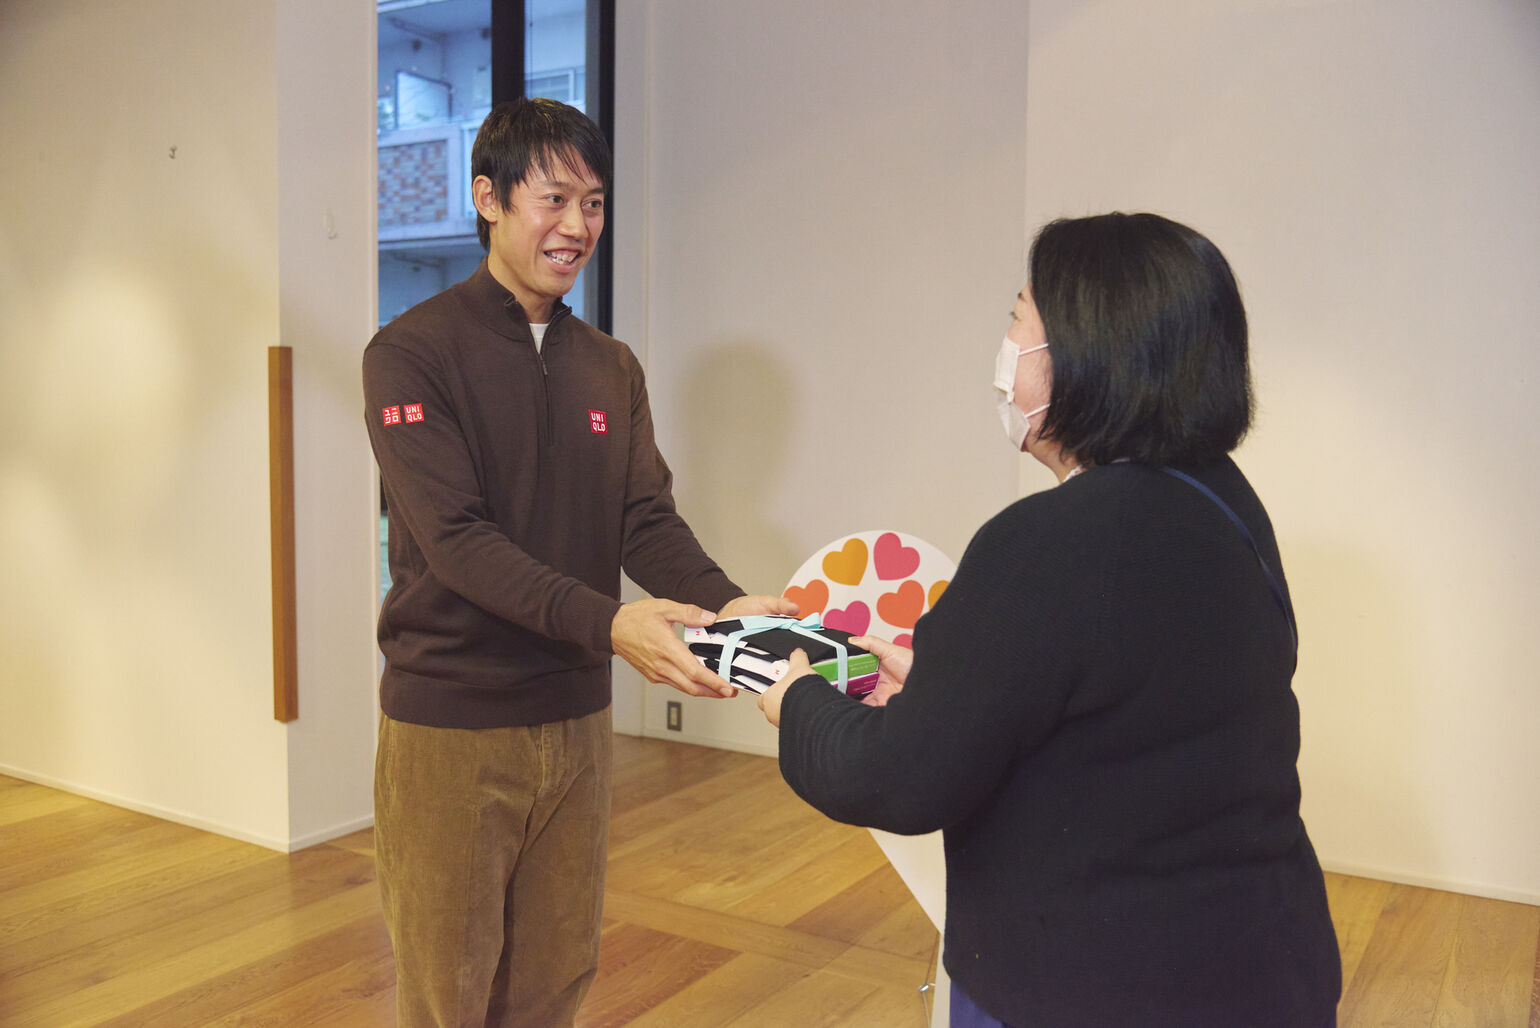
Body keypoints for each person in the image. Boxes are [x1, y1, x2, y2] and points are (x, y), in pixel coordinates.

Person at [758, 213, 1342, 1027]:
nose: (1006, 345)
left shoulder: (1045, 542)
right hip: (1270, 966)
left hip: (1087, 987)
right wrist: (952, 687)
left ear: (1087, 354)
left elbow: (897, 779)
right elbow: (1133, 704)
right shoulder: (1226, 503)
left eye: (1018, 319)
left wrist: (796, 701)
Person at [363, 97, 793, 1027]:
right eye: (553, 199)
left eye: (594, 203)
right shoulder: (410, 354)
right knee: (450, 992)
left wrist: (729, 606)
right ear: (487, 197)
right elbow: (460, 542)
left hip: (576, 718)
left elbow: (643, 520)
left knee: (555, 981)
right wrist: (611, 624)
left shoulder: (611, 365)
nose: (577, 227)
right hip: (451, 725)